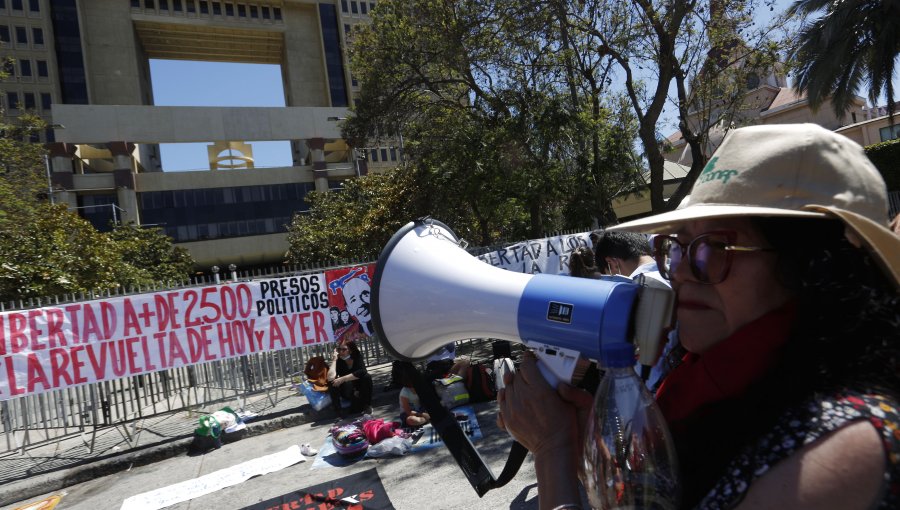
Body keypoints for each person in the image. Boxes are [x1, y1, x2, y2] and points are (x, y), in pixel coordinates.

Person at [497, 124, 900, 509]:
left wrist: (553, 451)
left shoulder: (847, 446)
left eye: (714, 249)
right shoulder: (723, 389)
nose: (683, 271)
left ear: (816, 269)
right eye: (677, 248)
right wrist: (593, 445)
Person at [592, 230, 665, 285]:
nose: (612, 281)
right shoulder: (671, 273)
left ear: (612, 263)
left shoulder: (638, 288)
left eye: (610, 277)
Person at [327, 340, 373, 418]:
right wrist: (334, 359)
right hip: (347, 390)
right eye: (339, 349)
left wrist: (342, 379)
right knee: (332, 382)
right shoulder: (339, 360)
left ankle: (367, 405)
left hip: (359, 389)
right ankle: (338, 411)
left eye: (344, 349)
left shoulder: (357, 356)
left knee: (366, 377)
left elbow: (362, 371)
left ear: (351, 350)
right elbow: (330, 377)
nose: (341, 352)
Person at [396, 362, 431, 427]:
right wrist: (422, 415)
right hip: (408, 414)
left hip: (421, 410)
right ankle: (427, 419)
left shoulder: (420, 386)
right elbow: (408, 411)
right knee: (411, 420)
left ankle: (426, 419)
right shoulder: (405, 392)